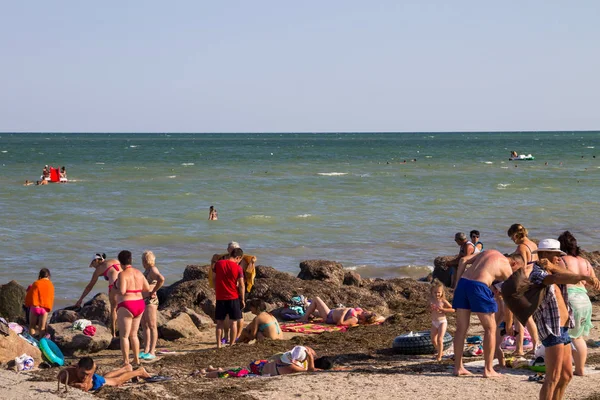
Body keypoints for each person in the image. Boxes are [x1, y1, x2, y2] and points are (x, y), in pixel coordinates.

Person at [525, 239, 600, 400]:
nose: (559, 258)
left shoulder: (554, 270)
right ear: (544, 254)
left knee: (566, 375)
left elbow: (568, 276)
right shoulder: (537, 273)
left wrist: (553, 266)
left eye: (560, 255)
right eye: (556, 255)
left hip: (564, 327)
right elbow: (558, 280)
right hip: (552, 328)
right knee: (552, 377)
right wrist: (584, 277)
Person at [452, 250, 524, 378]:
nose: (516, 274)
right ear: (514, 263)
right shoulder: (507, 267)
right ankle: (488, 369)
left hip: (463, 283)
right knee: (490, 329)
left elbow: (463, 260)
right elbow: (509, 301)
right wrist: (508, 323)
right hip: (479, 286)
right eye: (518, 270)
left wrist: (457, 283)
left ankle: (458, 367)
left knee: (461, 329)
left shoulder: (490, 252)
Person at [558, 231, 597, 376]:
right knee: (578, 337)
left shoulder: (561, 261)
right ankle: (580, 369)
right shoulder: (585, 262)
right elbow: (593, 283)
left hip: (570, 299)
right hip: (584, 299)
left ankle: (565, 368)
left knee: (565, 336)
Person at [507, 223, 540, 355]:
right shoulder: (533, 244)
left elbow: (523, 267)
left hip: (523, 281)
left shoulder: (521, 247)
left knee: (519, 316)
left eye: (511, 238)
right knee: (527, 316)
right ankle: (535, 345)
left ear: (515, 235)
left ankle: (519, 348)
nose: (512, 241)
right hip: (533, 280)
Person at [114, 250, 152, 365]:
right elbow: (147, 288)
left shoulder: (122, 274)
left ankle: (126, 361)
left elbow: (122, 291)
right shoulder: (139, 273)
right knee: (134, 334)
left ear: (120, 262)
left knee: (124, 336)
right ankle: (136, 359)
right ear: (131, 260)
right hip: (139, 303)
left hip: (127, 304)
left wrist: (114, 288)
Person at [199, 346, 331, 377]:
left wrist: (308, 354)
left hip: (259, 364)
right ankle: (205, 374)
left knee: (235, 369)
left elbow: (305, 350)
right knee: (230, 373)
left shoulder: (287, 358)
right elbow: (310, 371)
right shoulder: (293, 367)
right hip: (258, 371)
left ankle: (212, 369)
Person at [75, 253, 122, 337]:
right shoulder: (115, 260)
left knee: (114, 309)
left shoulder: (98, 269)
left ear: (96, 261)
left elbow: (89, 287)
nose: (93, 267)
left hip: (114, 287)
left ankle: (113, 334)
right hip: (125, 284)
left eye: (93, 264)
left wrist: (80, 299)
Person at [57, 357, 150, 392]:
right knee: (104, 378)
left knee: (117, 381)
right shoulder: (67, 372)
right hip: (94, 378)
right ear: (77, 367)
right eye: (83, 373)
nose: (85, 376)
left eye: (88, 374)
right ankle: (126, 368)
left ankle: (139, 371)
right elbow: (59, 377)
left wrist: (82, 385)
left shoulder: (89, 373)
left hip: (94, 383)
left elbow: (86, 386)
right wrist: (73, 384)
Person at [213, 247, 245, 348]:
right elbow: (241, 284)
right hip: (233, 297)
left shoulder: (219, 264)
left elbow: (213, 278)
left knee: (219, 323)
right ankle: (231, 345)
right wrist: (243, 299)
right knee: (233, 323)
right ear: (238, 257)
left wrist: (216, 289)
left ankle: (218, 345)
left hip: (220, 297)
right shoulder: (238, 268)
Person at [140, 250, 165, 361]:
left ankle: (152, 351)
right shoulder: (147, 270)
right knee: (144, 326)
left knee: (152, 325)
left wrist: (154, 290)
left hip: (151, 301)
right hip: (144, 300)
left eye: (143, 259)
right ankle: (146, 349)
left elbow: (161, 279)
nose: (143, 262)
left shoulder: (153, 269)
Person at [298, 296, 382, 325]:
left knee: (316, 299)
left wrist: (344, 312)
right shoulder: (360, 312)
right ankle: (306, 308)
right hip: (331, 311)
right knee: (312, 309)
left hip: (329, 317)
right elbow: (380, 318)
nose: (365, 312)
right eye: (367, 312)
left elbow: (340, 323)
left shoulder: (354, 319)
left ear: (364, 319)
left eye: (366, 314)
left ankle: (304, 318)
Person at [24, 268, 54, 337]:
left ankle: (32, 341)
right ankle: (40, 343)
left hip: (35, 308)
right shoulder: (51, 285)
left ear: (40, 276)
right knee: (42, 328)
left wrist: (27, 304)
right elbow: (50, 298)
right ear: (49, 276)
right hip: (44, 309)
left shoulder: (36, 283)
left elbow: (30, 295)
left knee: (32, 326)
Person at [430, 279, 454, 361]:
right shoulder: (431, 301)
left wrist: (444, 310)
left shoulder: (443, 301)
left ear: (442, 292)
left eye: (439, 292)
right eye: (435, 292)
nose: (437, 294)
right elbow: (427, 309)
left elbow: (452, 309)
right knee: (433, 340)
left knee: (440, 339)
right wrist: (430, 308)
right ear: (432, 292)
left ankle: (439, 356)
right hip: (434, 322)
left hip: (442, 322)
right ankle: (440, 351)